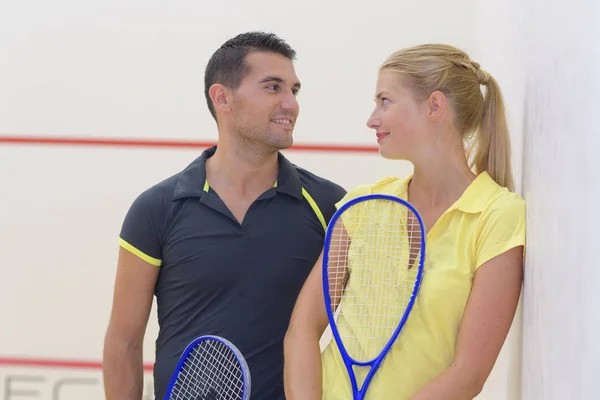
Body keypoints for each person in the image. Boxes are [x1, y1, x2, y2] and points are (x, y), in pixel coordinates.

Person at [102, 31, 346, 400]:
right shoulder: (157, 209)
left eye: (294, 90)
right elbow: (123, 342)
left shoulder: (330, 207)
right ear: (223, 98)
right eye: (272, 87)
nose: (290, 104)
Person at [283, 43, 526, 400]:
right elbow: (303, 328)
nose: (372, 119)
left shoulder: (497, 215)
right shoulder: (361, 206)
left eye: (385, 101)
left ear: (434, 106)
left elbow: (468, 374)